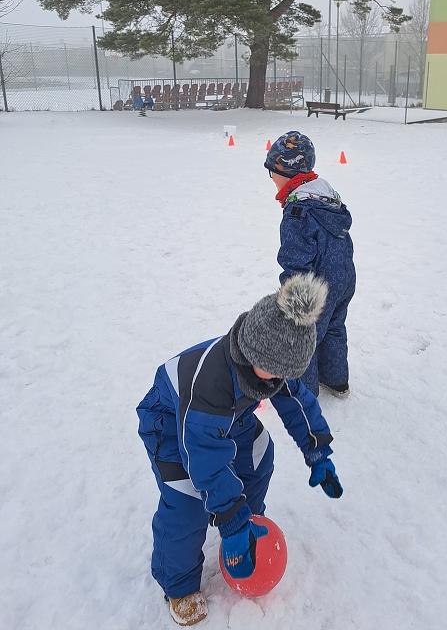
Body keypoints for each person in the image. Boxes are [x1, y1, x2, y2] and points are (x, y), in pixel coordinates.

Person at [137, 273, 343, 626]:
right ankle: (179, 583)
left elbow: (297, 403)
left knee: (260, 455)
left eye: (285, 373)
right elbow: (203, 454)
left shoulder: (272, 362)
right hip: (173, 423)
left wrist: (318, 453)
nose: (280, 380)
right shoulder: (211, 379)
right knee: (188, 499)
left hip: (230, 416)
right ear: (252, 351)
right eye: (275, 373)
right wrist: (229, 515)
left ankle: (248, 522)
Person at [264, 131, 355, 398]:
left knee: (304, 337)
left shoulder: (297, 211)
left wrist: (291, 299)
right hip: (344, 277)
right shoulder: (328, 197)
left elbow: (295, 261)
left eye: (272, 172)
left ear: (287, 173)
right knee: (334, 327)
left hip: (316, 285)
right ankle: (337, 381)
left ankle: (303, 393)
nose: (271, 178)